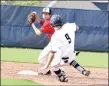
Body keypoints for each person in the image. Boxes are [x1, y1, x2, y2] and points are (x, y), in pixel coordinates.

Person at [28, 7, 90, 76]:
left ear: (50, 14)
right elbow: (43, 23)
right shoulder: (52, 20)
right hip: (57, 42)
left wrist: (32, 24)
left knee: (47, 59)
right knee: (46, 59)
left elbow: (38, 32)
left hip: (56, 42)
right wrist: (36, 18)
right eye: (44, 13)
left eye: (46, 14)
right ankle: (49, 71)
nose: (45, 15)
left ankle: (59, 71)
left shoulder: (49, 23)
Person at [41, 14, 91, 82]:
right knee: (71, 60)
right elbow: (77, 28)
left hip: (63, 56)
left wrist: (46, 65)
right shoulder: (68, 25)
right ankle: (83, 71)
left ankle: (61, 77)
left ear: (52, 24)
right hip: (71, 52)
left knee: (53, 66)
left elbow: (52, 53)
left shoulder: (55, 36)